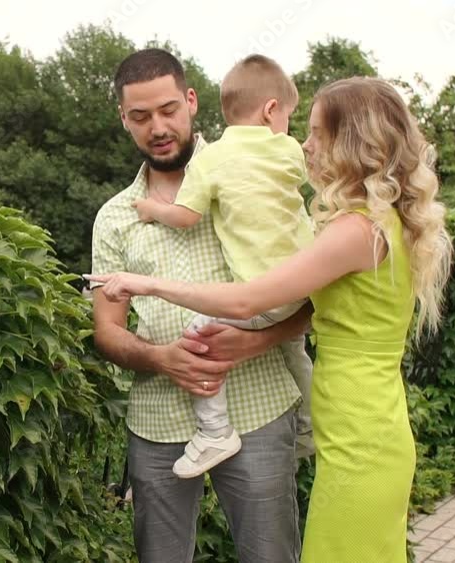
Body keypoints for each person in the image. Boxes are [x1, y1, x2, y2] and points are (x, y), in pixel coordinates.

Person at [88, 76, 454, 563]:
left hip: (360, 434)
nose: (305, 144)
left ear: (351, 141)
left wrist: (146, 284)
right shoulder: (372, 221)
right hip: (364, 424)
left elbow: (249, 301)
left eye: (317, 132)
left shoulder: (355, 230)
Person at [89, 48, 310, 563]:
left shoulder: (257, 176)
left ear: (191, 101)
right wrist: (161, 358)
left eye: (168, 109)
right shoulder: (114, 217)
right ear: (124, 119)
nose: (158, 127)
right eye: (141, 116)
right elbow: (107, 330)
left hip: (258, 407)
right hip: (157, 418)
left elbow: (312, 297)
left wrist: (257, 340)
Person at [130, 54, 316, 479]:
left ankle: (214, 431)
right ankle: (310, 427)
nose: (287, 125)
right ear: (271, 109)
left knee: (199, 330)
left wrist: (151, 209)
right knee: (296, 351)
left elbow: (185, 217)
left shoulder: (210, 162)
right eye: (287, 116)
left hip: (261, 298)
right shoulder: (289, 150)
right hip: (303, 286)